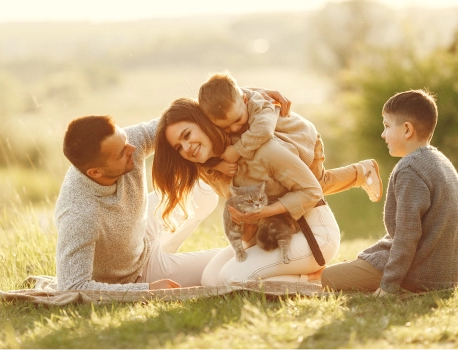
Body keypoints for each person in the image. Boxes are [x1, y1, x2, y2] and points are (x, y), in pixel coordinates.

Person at [54, 89, 291, 291]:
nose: (133, 148)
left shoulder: (124, 145)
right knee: (228, 267)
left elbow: (184, 118)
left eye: (125, 139)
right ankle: (291, 261)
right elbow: (73, 287)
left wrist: (248, 95)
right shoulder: (80, 214)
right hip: (136, 274)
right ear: (95, 172)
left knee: (203, 190)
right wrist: (146, 289)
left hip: (142, 231)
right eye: (121, 152)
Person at [152, 97, 341, 286]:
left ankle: (316, 278)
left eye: (187, 135)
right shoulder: (213, 171)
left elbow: (313, 191)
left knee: (231, 278)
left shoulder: (262, 149)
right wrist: (247, 223)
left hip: (313, 234)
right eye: (178, 147)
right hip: (269, 236)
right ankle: (293, 274)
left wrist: (266, 211)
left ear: (204, 123)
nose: (186, 148)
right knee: (210, 280)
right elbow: (249, 234)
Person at [320, 89, 458, 295]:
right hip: (445, 276)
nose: (383, 134)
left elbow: (407, 236)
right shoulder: (442, 162)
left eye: (387, 126)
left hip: (418, 275)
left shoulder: (410, 169)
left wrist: (388, 285)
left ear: (407, 130)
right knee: (359, 262)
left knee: (329, 276)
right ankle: (365, 265)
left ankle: (377, 275)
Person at [198, 71, 382, 202]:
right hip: (286, 148)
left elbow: (263, 132)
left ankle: (362, 172)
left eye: (238, 120)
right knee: (294, 187)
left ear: (245, 100)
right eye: (226, 128)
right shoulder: (234, 104)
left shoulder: (261, 105)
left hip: (303, 141)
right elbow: (228, 92)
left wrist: (237, 151)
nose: (235, 127)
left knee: (317, 185)